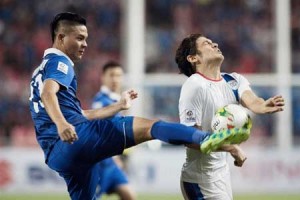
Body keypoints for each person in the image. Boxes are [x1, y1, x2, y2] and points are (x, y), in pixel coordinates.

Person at [29, 13, 250, 200]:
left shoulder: (39, 70)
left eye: (85, 38)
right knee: (150, 127)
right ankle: (207, 139)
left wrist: (118, 106)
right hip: (75, 138)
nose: (85, 44)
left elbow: (80, 113)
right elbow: (48, 93)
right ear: (60, 37)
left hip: (57, 155)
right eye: (79, 38)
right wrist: (61, 123)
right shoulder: (60, 62)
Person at [175, 33, 285, 200]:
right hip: (199, 179)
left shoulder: (233, 80)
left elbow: (251, 100)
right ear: (193, 58)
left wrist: (262, 106)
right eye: (206, 43)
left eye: (212, 42)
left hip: (221, 173)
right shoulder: (194, 85)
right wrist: (231, 147)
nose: (215, 44)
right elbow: (189, 137)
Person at [92, 61, 135, 200]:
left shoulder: (117, 102)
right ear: (103, 77)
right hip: (100, 164)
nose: (115, 79)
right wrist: (115, 155)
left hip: (112, 164)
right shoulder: (101, 102)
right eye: (111, 75)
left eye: (118, 75)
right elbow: (100, 131)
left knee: (129, 196)